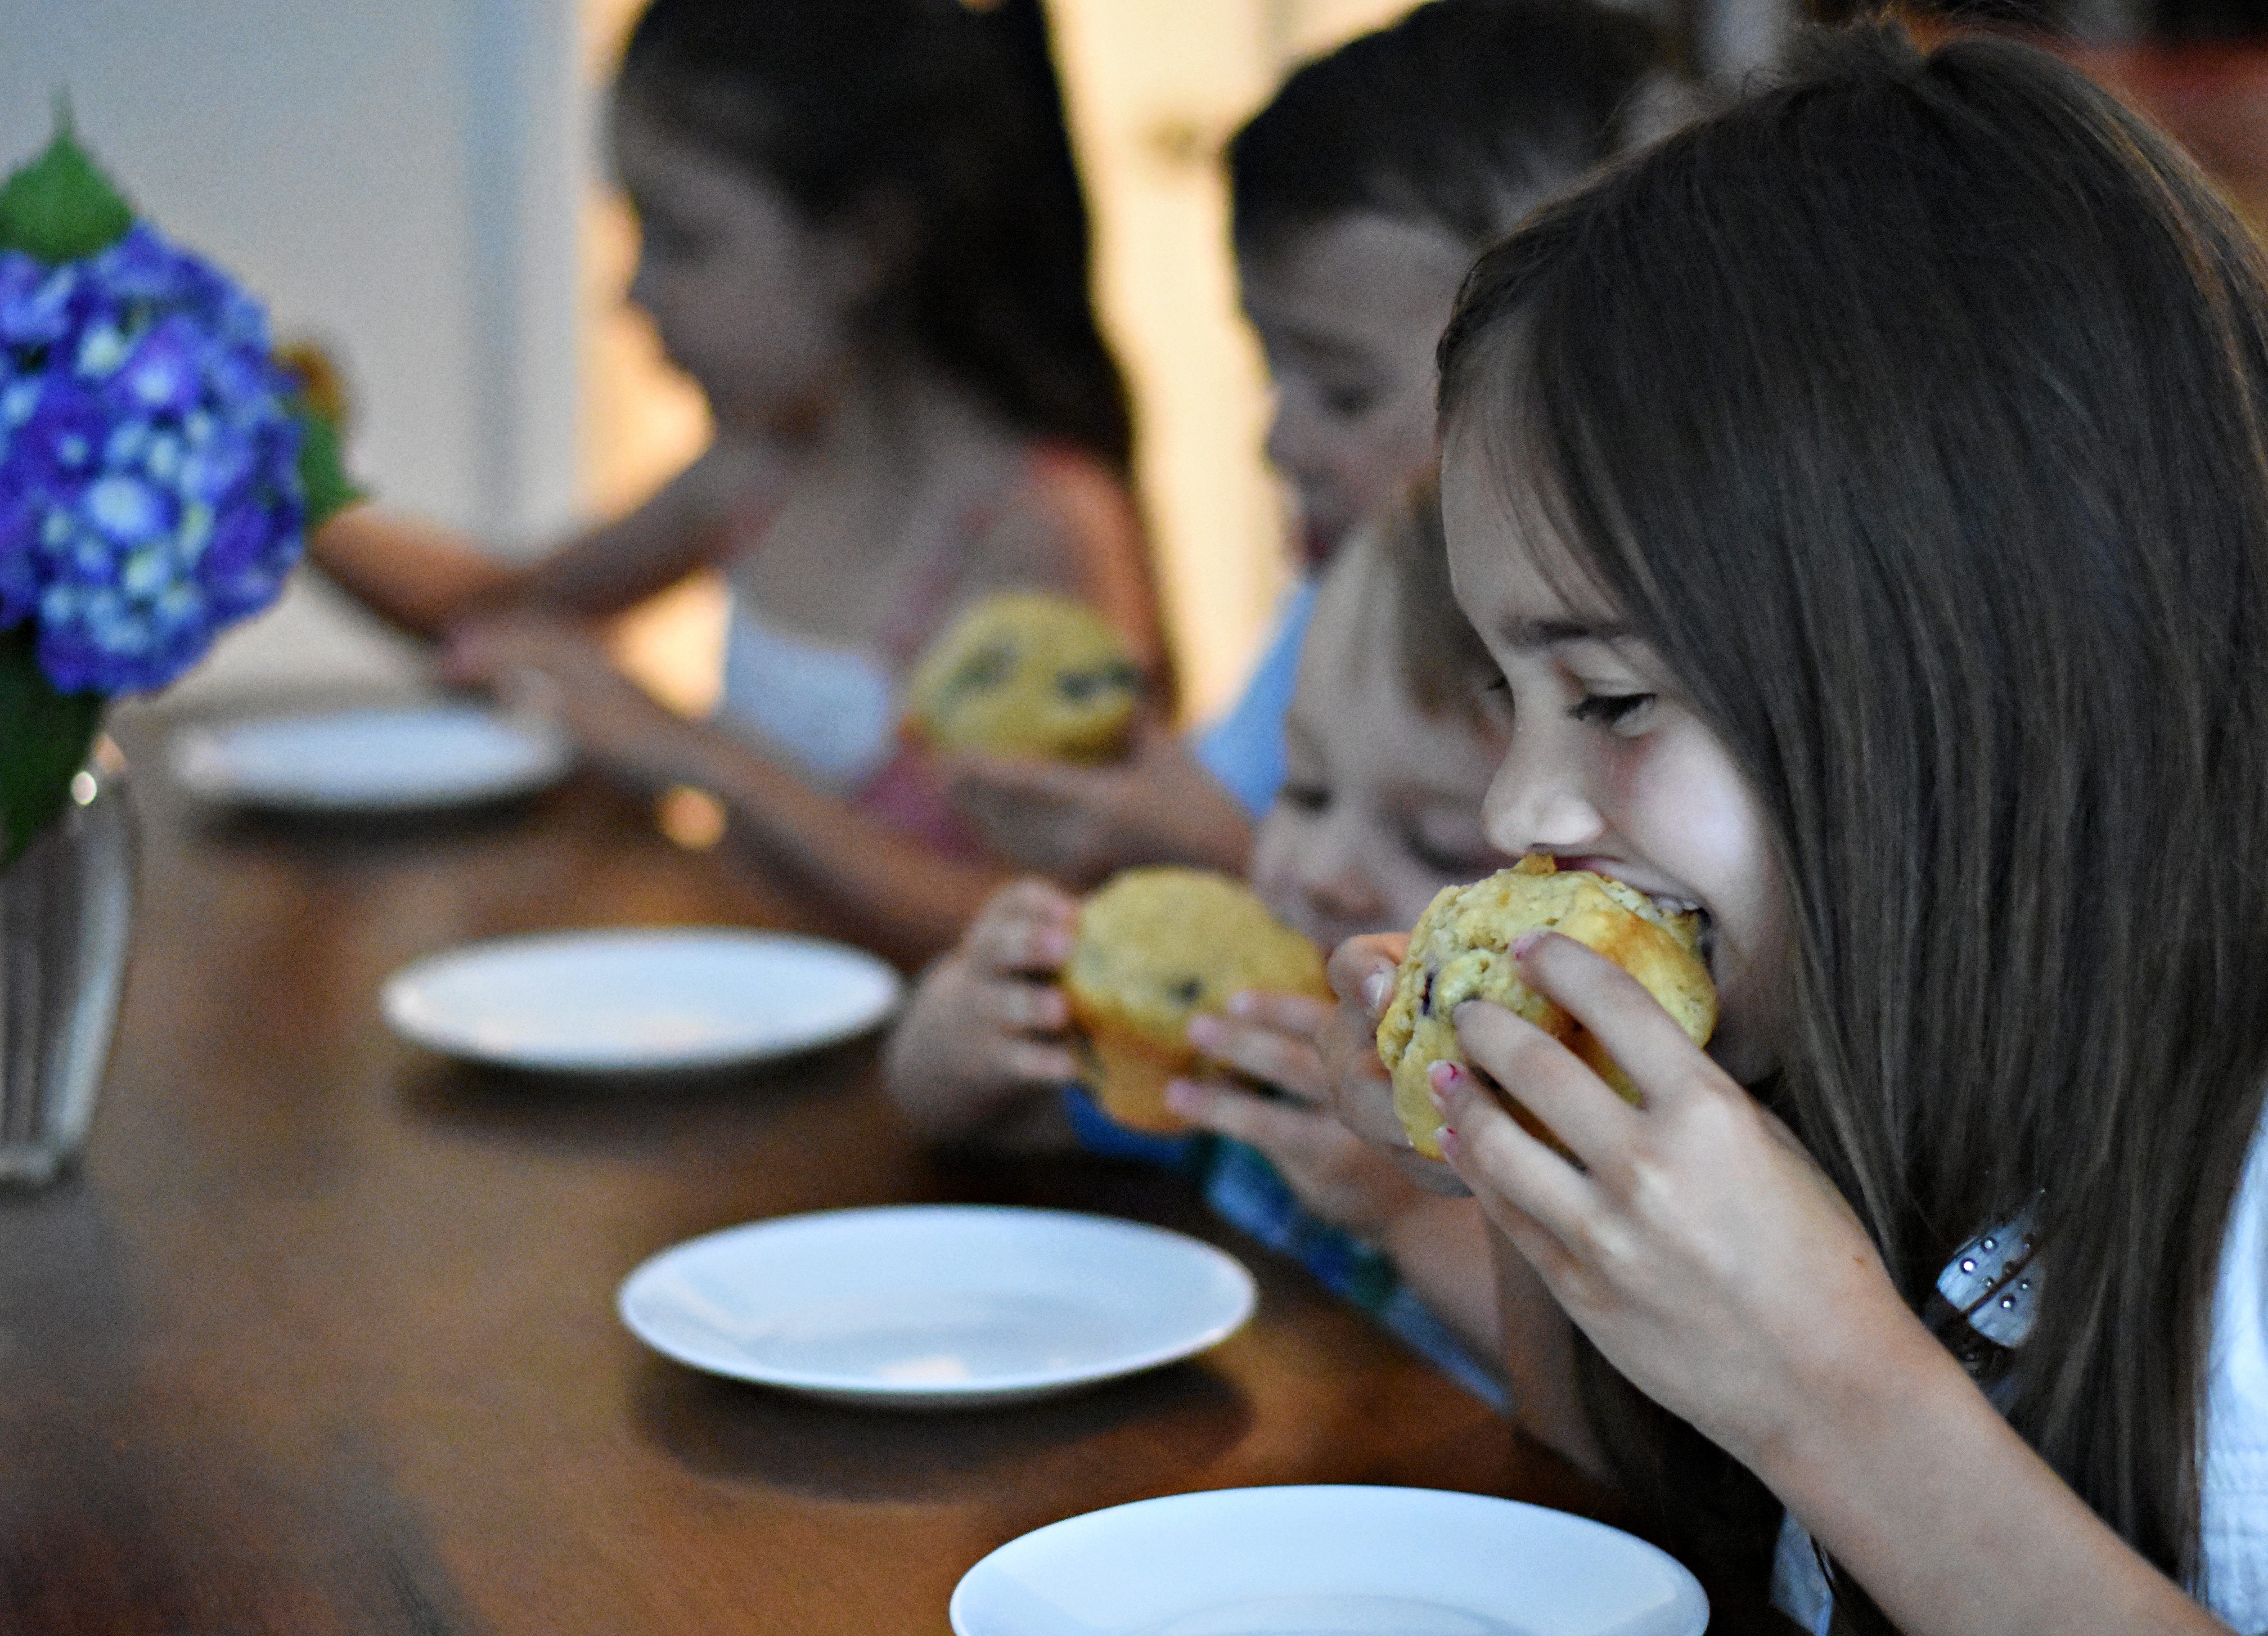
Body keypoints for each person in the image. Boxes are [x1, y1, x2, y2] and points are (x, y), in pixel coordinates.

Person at [1318, 23, 2268, 1634]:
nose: (1520, 808)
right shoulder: (1859, 1007)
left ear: (1973, 656)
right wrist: (1547, 1188)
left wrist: (1830, 1390)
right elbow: (1630, 1561)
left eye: (1615, 700)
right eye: (1512, 692)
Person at [309, 0, 1165, 968]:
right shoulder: (759, 473)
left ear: (865, 246)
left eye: (684, 239)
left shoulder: (1041, 524)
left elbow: (1071, 929)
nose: (632, 296)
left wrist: (697, 753)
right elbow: (485, 604)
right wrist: (283, 477)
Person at [941, 0, 1691, 888]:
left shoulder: (1643, 685)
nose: (1280, 443)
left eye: (1347, 391)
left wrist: (1209, 844)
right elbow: (1226, 791)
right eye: (1270, 370)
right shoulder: (1332, 602)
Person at [886, 485, 1513, 1394]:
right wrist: (965, 1032)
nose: (1324, 867)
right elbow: (999, 1123)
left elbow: (1620, 1423)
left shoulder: (1550, 1115)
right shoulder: (1252, 1045)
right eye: (1304, 791)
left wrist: (1404, 1211)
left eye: (1436, 844)